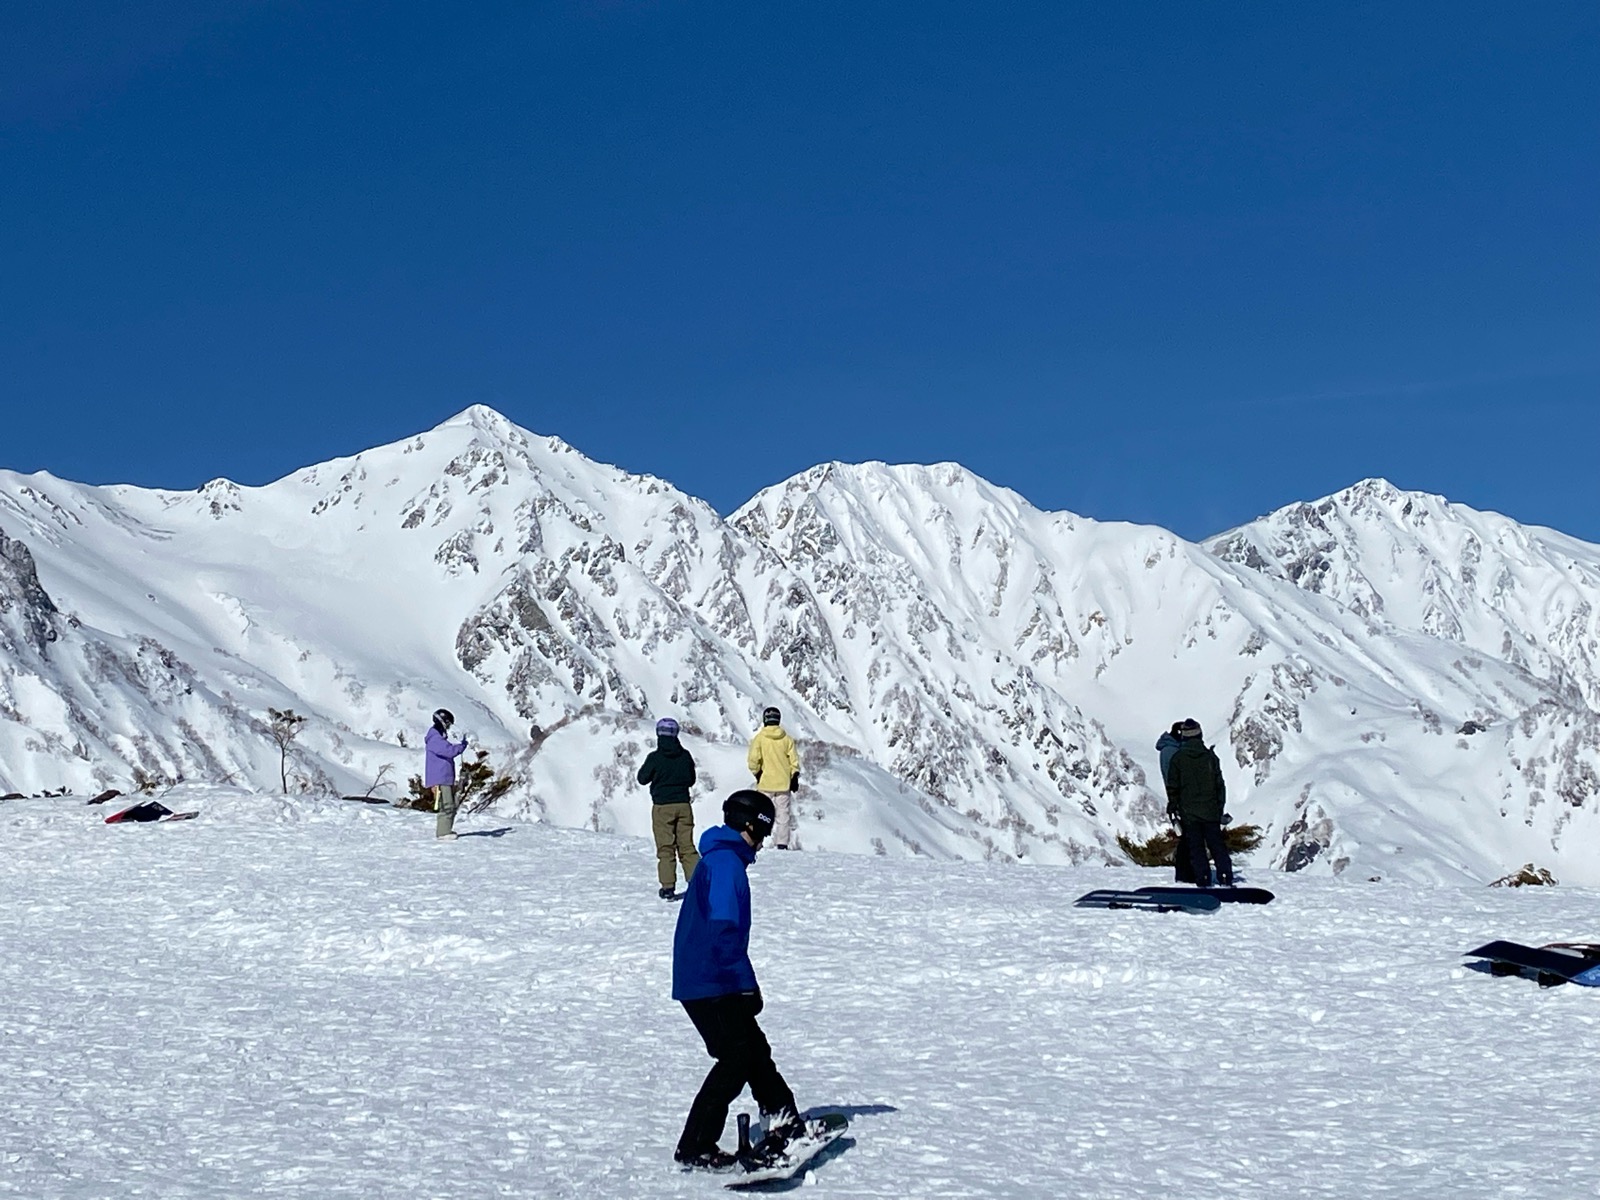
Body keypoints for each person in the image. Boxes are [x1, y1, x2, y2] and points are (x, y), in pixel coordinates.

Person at [671, 790, 802, 1171]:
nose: (762, 843)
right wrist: (745, 985)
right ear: (750, 827)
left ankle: (782, 1117)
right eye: (763, 833)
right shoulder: (727, 865)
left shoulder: (721, 859)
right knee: (736, 1058)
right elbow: (724, 931)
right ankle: (696, 1145)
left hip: (710, 976)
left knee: (752, 1050)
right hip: (709, 979)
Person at [1164, 717, 1233, 887]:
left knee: (1196, 848)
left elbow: (1173, 787)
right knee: (1216, 845)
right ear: (1200, 735)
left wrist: (1173, 807)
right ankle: (1225, 876)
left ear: (1184, 736)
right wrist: (1219, 808)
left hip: (1189, 812)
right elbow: (1220, 785)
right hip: (1211, 810)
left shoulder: (1178, 759)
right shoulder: (1210, 757)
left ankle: (1203, 879)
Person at [637, 717, 701, 899]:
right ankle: (697, 883)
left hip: (662, 807)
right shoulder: (685, 756)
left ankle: (668, 887)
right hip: (683, 805)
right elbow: (691, 780)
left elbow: (642, 778)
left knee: (666, 848)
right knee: (687, 847)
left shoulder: (655, 758)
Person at [746, 706, 801, 850]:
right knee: (783, 815)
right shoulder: (787, 739)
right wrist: (794, 776)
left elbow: (753, 760)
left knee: (761, 813)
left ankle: (757, 841)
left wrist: (757, 773)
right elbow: (794, 761)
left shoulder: (759, 738)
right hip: (783, 784)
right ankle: (782, 844)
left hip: (765, 783)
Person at [1156, 722, 1197, 883]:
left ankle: (1186, 873)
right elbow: (1174, 778)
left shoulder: (1169, 749)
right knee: (1188, 837)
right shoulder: (1171, 751)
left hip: (1179, 799)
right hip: (1181, 800)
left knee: (1187, 837)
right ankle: (1186, 874)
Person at [424, 708, 470, 840]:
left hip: (444, 777)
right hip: (440, 778)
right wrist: (462, 745)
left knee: (450, 804)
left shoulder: (437, 737)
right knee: (446, 805)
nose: (449, 727)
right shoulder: (435, 738)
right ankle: (443, 832)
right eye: (448, 723)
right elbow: (449, 751)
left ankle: (446, 830)